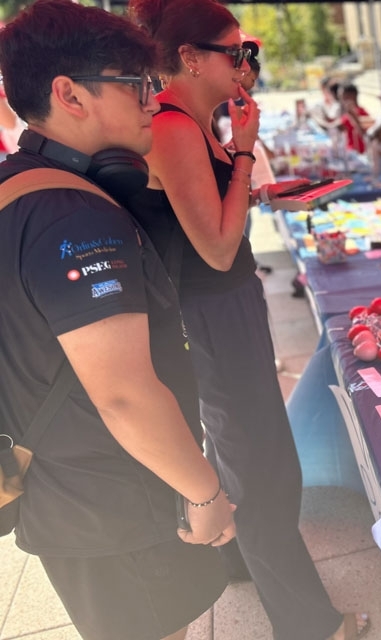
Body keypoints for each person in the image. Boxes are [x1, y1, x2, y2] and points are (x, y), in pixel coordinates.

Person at [126, 1, 368, 639]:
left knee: (252, 453)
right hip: (210, 318)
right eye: (234, 53)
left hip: (222, 310)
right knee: (263, 470)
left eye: (247, 52)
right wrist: (243, 155)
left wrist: (251, 183)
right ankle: (309, 624)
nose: (245, 64)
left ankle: (243, 564)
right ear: (189, 57)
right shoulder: (176, 126)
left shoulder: (193, 121)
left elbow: (200, 218)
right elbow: (216, 246)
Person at [0, 2, 236, 638]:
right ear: (68, 94)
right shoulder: (74, 217)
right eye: (136, 85)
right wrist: (206, 493)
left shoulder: (16, 190)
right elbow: (125, 394)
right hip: (118, 505)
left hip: (65, 498)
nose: (152, 103)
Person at [339, 83, 370, 154]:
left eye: (343, 95)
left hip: (360, 154)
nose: (341, 98)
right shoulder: (345, 112)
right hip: (350, 152)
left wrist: (353, 116)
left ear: (352, 95)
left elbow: (366, 135)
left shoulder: (363, 113)